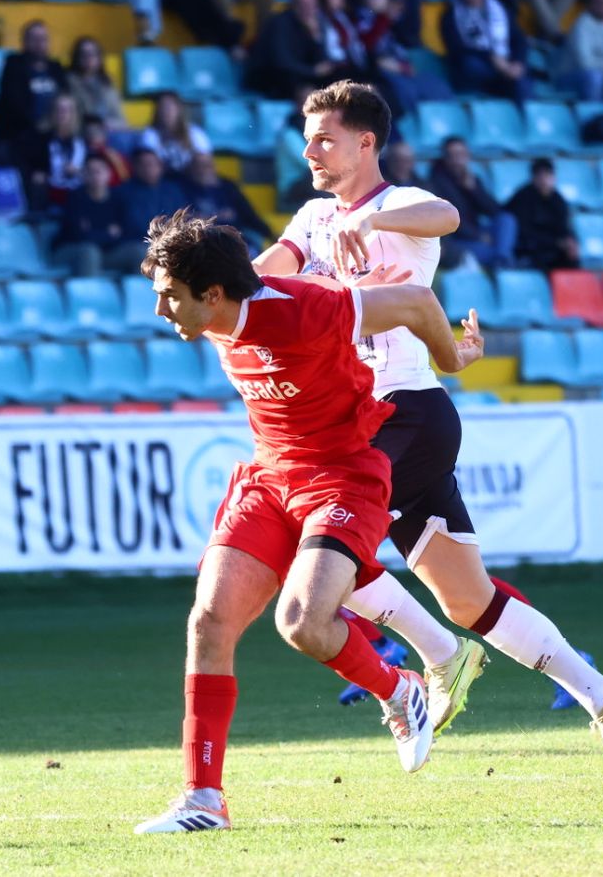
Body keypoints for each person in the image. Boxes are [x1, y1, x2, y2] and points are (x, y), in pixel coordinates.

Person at [253, 80, 603, 785]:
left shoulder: (400, 205)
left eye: (324, 140)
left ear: (365, 143)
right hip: (387, 422)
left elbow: (448, 214)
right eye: (307, 140)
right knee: (469, 598)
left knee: (310, 549)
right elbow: (262, 279)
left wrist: (371, 223)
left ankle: (440, 656)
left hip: (399, 412)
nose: (309, 152)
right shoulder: (311, 218)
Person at [131, 203, 484, 835]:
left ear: (212, 295)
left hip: (345, 475)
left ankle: (400, 687)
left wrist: (452, 360)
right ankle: (203, 799)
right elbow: (255, 264)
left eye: (169, 295)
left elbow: (413, 300)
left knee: (302, 624)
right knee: (209, 622)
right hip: (269, 478)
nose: (160, 309)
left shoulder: (305, 309)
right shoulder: (214, 309)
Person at [440, 0, 530, 102]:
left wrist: (518, 62)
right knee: (470, 65)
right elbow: (456, 49)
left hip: (504, 65)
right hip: (477, 69)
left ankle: (525, 112)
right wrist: (493, 59)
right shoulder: (451, 16)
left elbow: (519, 39)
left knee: (521, 79)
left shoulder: (501, 10)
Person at [428, 136, 516, 268]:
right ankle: (502, 260)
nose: (458, 160)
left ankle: (501, 258)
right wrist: (478, 236)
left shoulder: (471, 179)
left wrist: (474, 190)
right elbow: (450, 221)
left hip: (477, 230)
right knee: (488, 250)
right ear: (446, 158)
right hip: (456, 240)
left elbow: (494, 210)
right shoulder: (436, 183)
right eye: (453, 155)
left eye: (462, 155)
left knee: (506, 219)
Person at [109, 148, 189, 273]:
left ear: (160, 166)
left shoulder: (173, 190)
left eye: (152, 164)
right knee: (145, 253)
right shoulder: (122, 192)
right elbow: (130, 226)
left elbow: (183, 219)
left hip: (171, 242)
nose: (148, 168)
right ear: (135, 167)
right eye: (143, 165)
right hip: (135, 244)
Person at [51, 152, 124, 277]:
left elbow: (124, 233)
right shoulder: (75, 198)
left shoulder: (118, 199)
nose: (95, 176)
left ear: (108, 174)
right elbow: (78, 235)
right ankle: (89, 290)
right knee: (90, 252)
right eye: (90, 172)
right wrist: (108, 234)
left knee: (138, 252)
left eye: (99, 171)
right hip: (71, 250)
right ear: (83, 175)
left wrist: (94, 232)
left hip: (106, 251)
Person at [179, 153, 272, 249]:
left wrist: (270, 234)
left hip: (233, 239)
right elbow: (183, 219)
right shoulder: (183, 189)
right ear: (192, 169)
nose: (204, 170)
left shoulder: (228, 187)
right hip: (201, 242)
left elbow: (249, 215)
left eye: (208, 166)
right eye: (200, 166)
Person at [0, 21, 66, 141]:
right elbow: (14, 105)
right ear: (24, 41)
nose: (39, 43)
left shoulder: (56, 67)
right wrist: (40, 125)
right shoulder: (13, 65)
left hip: (57, 129)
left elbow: (66, 97)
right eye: (34, 39)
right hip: (24, 133)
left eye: (43, 39)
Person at [504, 157, 579, 270]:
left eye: (547, 176)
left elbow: (564, 228)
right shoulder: (523, 197)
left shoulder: (558, 200)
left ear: (554, 178)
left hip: (552, 249)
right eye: (540, 176)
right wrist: (556, 243)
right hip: (527, 249)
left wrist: (570, 241)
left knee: (571, 258)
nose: (544, 181)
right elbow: (525, 233)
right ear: (533, 178)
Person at [64, 35, 128, 132]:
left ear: (99, 58)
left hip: (109, 132)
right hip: (82, 133)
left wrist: (109, 124)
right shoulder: (69, 82)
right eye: (84, 54)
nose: (88, 58)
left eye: (92, 54)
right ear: (76, 57)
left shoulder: (107, 83)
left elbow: (122, 121)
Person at [142, 91, 213, 173]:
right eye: (163, 107)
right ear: (157, 111)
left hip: (190, 177)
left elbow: (205, 163)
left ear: (179, 109)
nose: (167, 111)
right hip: (161, 179)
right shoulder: (149, 134)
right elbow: (148, 166)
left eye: (170, 107)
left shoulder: (195, 133)